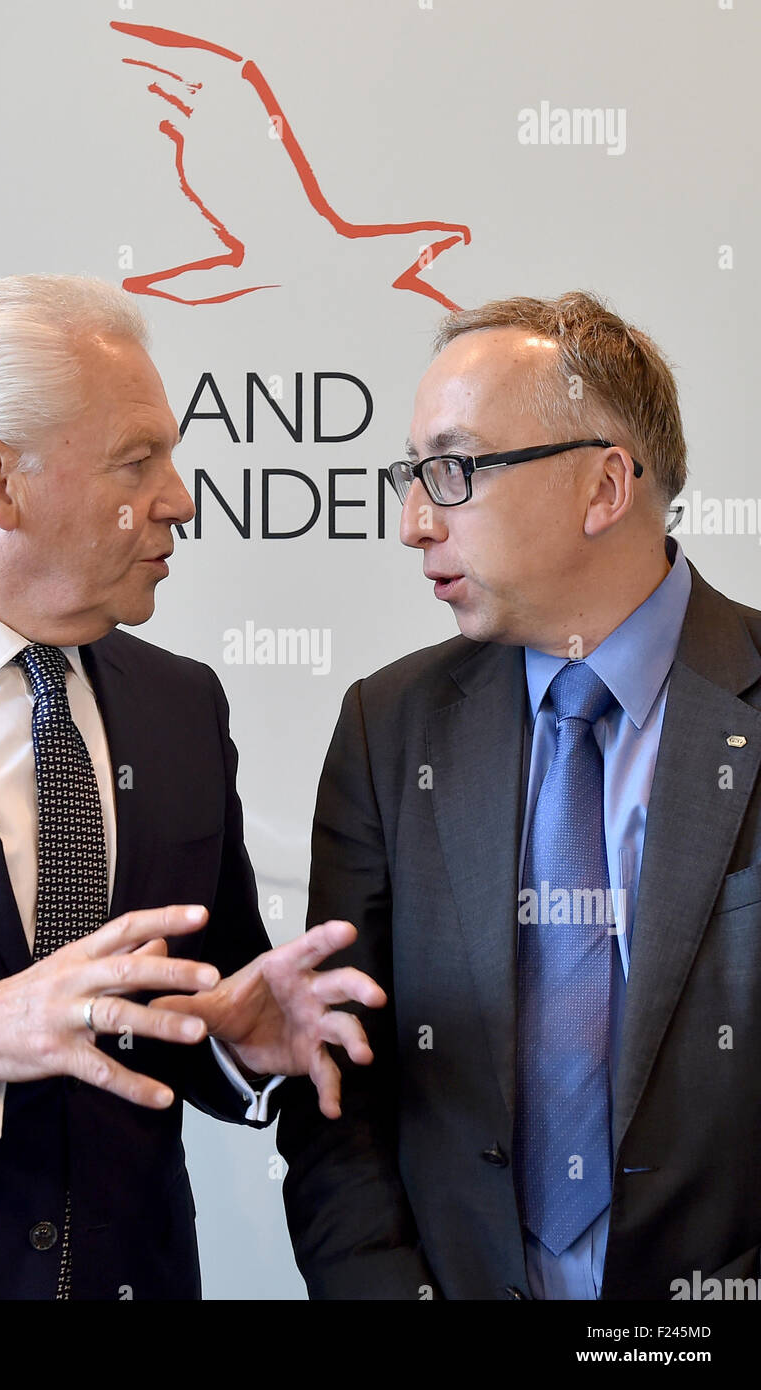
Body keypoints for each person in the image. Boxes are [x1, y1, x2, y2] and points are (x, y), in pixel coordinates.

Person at [0, 273, 383, 1301]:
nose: (180, 497)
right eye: (137, 459)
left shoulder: (179, 707)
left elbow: (185, 1006)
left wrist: (237, 1040)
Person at [277, 290, 761, 1300]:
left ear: (600, 486)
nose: (413, 522)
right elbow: (339, 1092)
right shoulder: (388, 727)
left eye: (449, 472)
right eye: (409, 477)